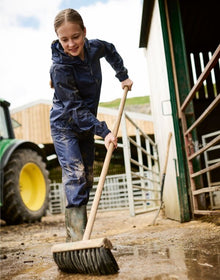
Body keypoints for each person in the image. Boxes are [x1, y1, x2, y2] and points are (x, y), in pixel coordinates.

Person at [49, 8, 133, 242]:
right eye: (64, 39)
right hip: (65, 125)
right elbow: (74, 109)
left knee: (86, 178)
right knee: (75, 176)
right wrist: (104, 132)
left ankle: (80, 237)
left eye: (75, 37)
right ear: (58, 38)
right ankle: (76, 241)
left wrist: (122, 75)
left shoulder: (95, 47)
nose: (71, 44)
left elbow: (110, 50)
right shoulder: (60, 69)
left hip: (86, 123)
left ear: (84, 32)